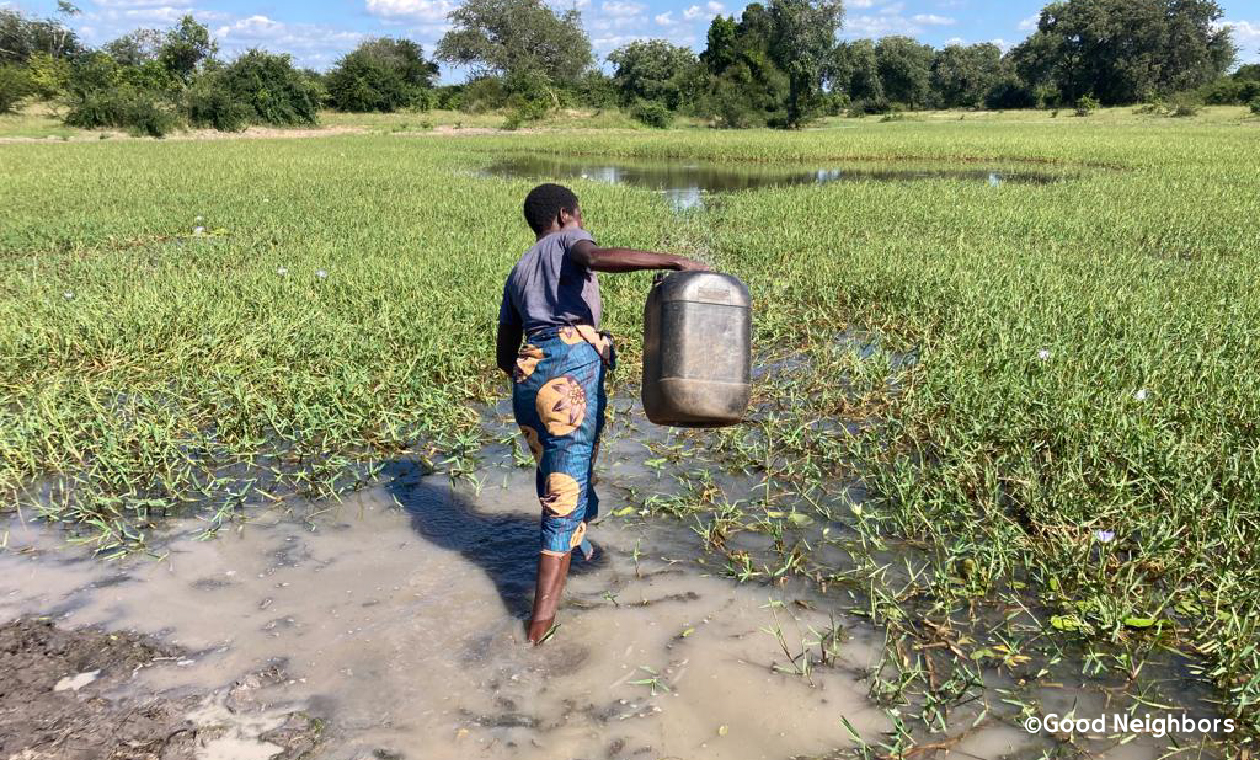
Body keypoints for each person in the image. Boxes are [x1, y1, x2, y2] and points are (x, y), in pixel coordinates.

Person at [496, 183, 710, 645]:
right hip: (567, 376)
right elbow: (594, 257)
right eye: (578, 219)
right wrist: (674, 261)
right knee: (564, 494)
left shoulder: (518, 270)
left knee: (557, 469)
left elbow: (503, 352)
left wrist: (539, 367)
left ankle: (580, 544)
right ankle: (538, 631)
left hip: (527, 380)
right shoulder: (566, 239)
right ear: (564, 216)